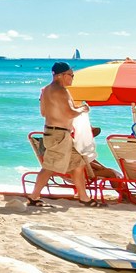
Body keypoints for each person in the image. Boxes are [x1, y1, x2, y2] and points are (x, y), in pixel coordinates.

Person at [26, 62, 102, 207]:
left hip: (55, 133)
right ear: (61, 75)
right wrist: (83, 109)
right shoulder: (61, 91)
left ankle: (84, 198)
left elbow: (43, 113)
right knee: (49, 167)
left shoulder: (46, 90)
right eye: (71, 75)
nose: (72, 78)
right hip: (59, 135)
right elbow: (70, 113)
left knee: (78, 164)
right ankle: (33, 196)